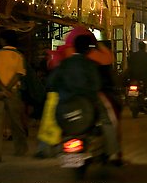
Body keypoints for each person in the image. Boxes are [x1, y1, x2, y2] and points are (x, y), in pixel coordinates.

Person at [48, 33, 122, 165]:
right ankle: (113, 153)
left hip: (65, 105)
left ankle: (54, 146)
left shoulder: (64, 64)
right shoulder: (90, 64)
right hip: (87, 104)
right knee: (107, 120)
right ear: (88, 49)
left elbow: (51, 84)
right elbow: (96, 85)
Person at [0, 29, 29, 164]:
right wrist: (8, 89)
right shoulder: (18, 56)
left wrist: (1, 89)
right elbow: (18, 74)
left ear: (3, 40)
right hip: (13, 92)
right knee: (16, 122)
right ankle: (20, 149)